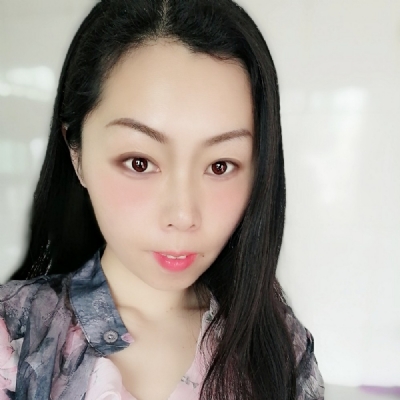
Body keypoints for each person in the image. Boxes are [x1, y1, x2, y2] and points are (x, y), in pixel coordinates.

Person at [0, 0, 324, 399]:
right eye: (139, 162)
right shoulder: (13, 336)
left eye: (220, 166)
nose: (183, 215)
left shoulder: (282, 350)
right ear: (77, 153)